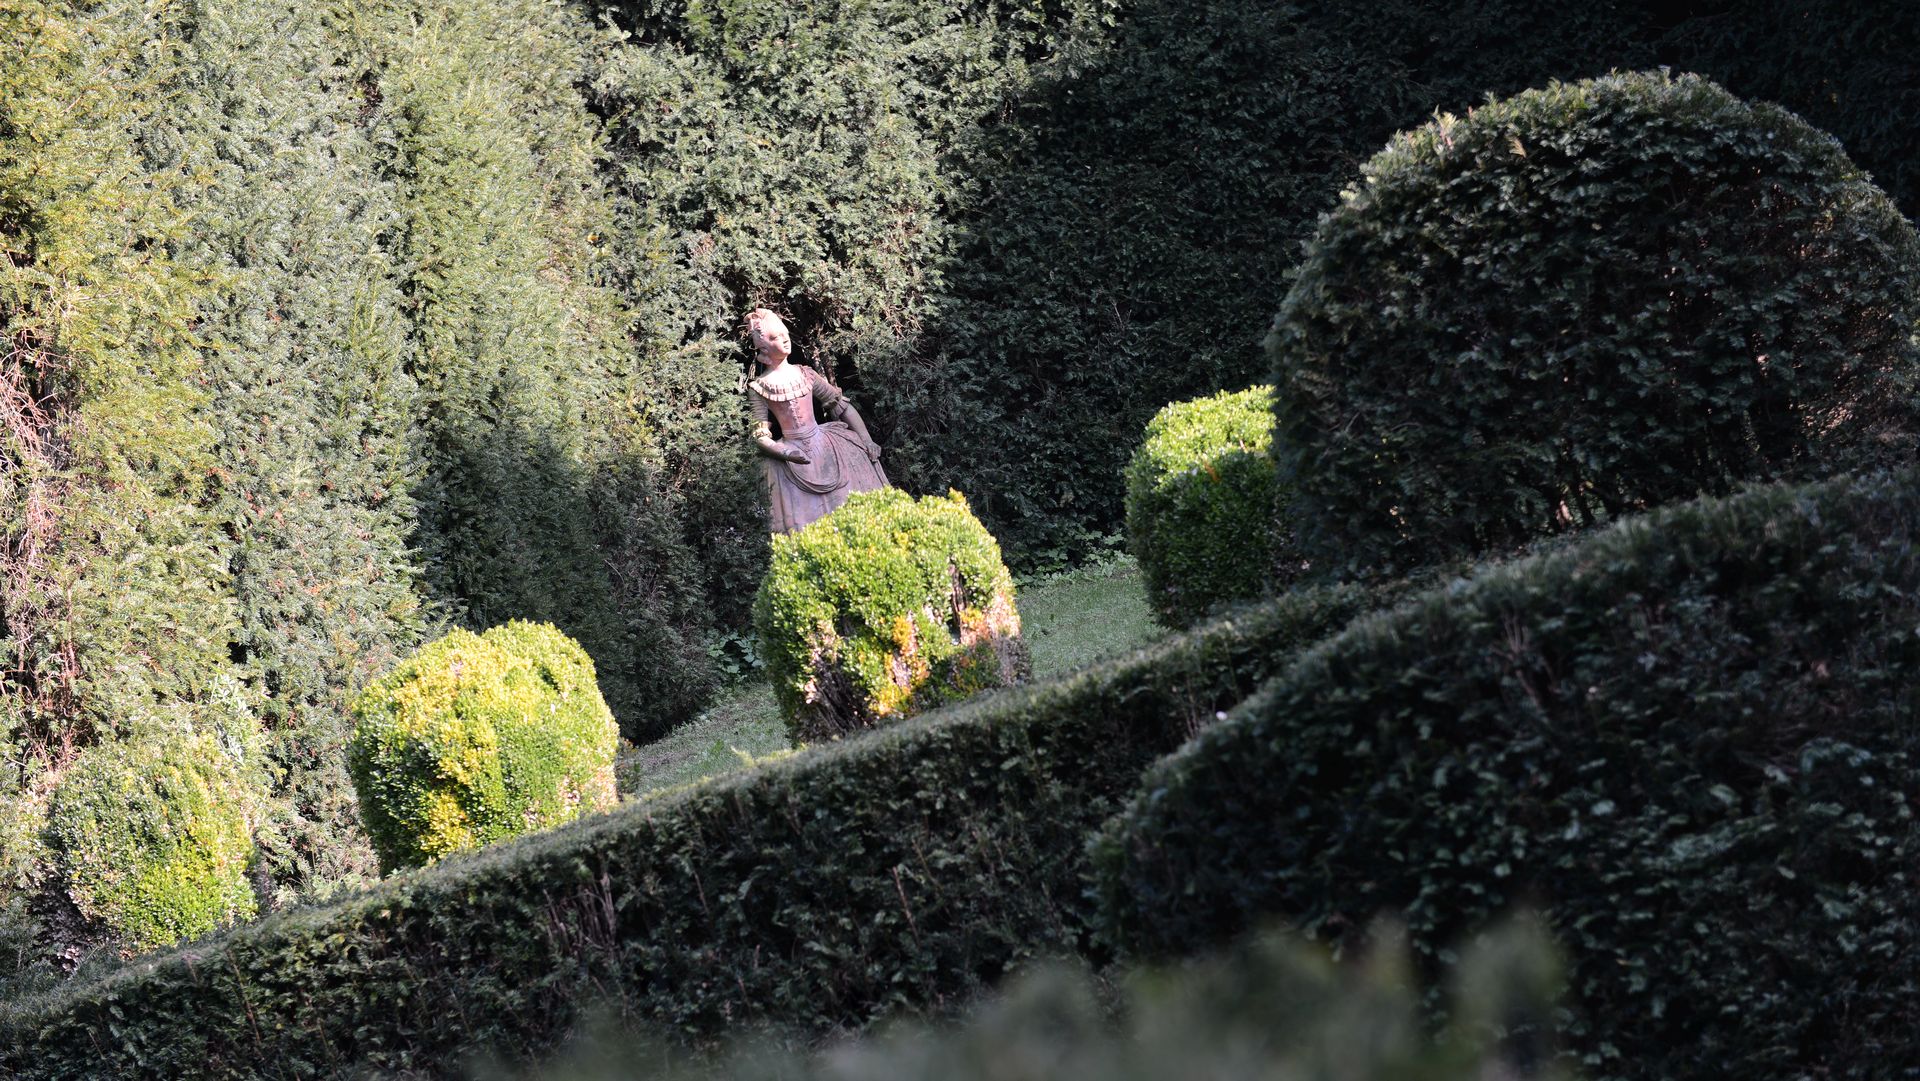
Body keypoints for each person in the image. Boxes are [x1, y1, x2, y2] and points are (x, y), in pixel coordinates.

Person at [745, 308, 889, 533]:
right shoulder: (758, 387)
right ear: (763, 348)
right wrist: (783, 452)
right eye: (775, 337)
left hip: (829, 446)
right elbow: (760, 435)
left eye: (784, 333)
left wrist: (867, 440)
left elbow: (842, 406)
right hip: (790, 456)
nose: (784, 339)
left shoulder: (807, 374)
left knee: (856, 502)